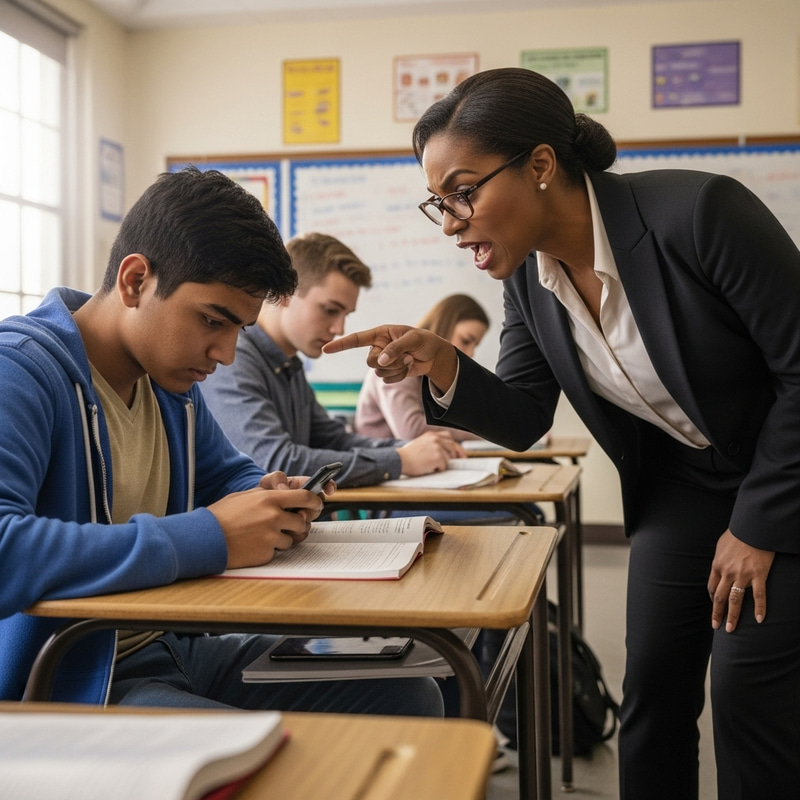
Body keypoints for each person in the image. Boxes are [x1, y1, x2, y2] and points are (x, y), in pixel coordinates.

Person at [322, 67, 800, 799]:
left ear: (541, 165)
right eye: (438, 203)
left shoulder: (701, 214)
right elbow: (522, 416)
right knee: (653, 696)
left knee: (747, 694)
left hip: (781, 474)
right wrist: (443, 362)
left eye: (464, 191)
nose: (451, 222)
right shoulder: (527, 281)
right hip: (682, 485)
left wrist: (760, 524)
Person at [0, 167, 443, 718]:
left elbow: (229, 477)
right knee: (267, 750)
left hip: (174, 646)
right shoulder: (20, 371)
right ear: (136, 280)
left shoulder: (168, 385)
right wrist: (210, 535)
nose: (227, 353)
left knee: (407, 690)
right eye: (213, 320)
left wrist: (270, 495)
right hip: (78, 677)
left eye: (240, 329)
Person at [200, 231, 462, 488]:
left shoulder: (289, 363)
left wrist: (410, 448)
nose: (339, 328)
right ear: (284, 293)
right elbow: (275, 462)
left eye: (346, 314)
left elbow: (333, 439)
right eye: (329, 310)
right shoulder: (236, 359)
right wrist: (398, 460)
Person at [355, 293, 489, 442]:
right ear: (444, 326)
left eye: (475, 345)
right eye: (465, 341)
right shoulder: (399, 362)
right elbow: (411, 432)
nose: (470, 354)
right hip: (380, 460)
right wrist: (486, 433)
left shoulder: (441, 376)